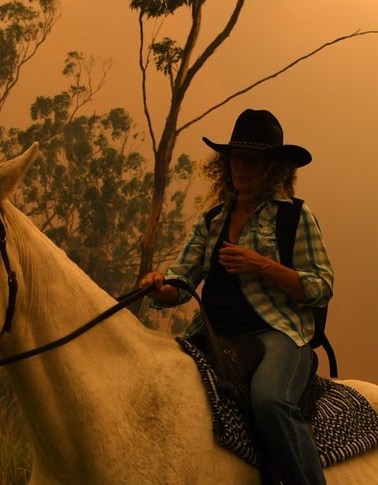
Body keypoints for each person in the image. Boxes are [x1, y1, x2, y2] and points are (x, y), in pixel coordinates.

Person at [141, 108, 334, 485]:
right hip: (213, 334)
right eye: (234, 160)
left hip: (278, 334)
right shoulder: (212, 220)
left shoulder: (295, 217)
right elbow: (182, 280)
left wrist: (260, 264)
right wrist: (160, 287)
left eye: (251, 160)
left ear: (272, 168)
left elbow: (321, 286)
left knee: (270, 401)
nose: (240, 168)